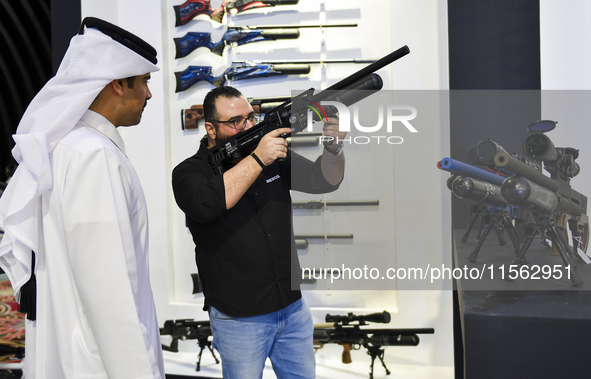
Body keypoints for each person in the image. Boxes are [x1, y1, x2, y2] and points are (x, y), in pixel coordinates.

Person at [0, 17, 164, 378]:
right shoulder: (92, 155)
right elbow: (110, 291)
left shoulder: (65, 148)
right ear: (119, 84)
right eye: (144, 82)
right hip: (98, 364)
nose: (149, 95)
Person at [172, 86, 347, 378]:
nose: (248, 126)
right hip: (239, 318)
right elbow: (206, 205)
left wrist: (333, 148)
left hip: (291, 308)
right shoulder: (189, 172)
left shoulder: (270, 156)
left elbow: (324, 180)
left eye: (250, 118)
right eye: (236, 121)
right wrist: (257, 159)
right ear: (210, 129)